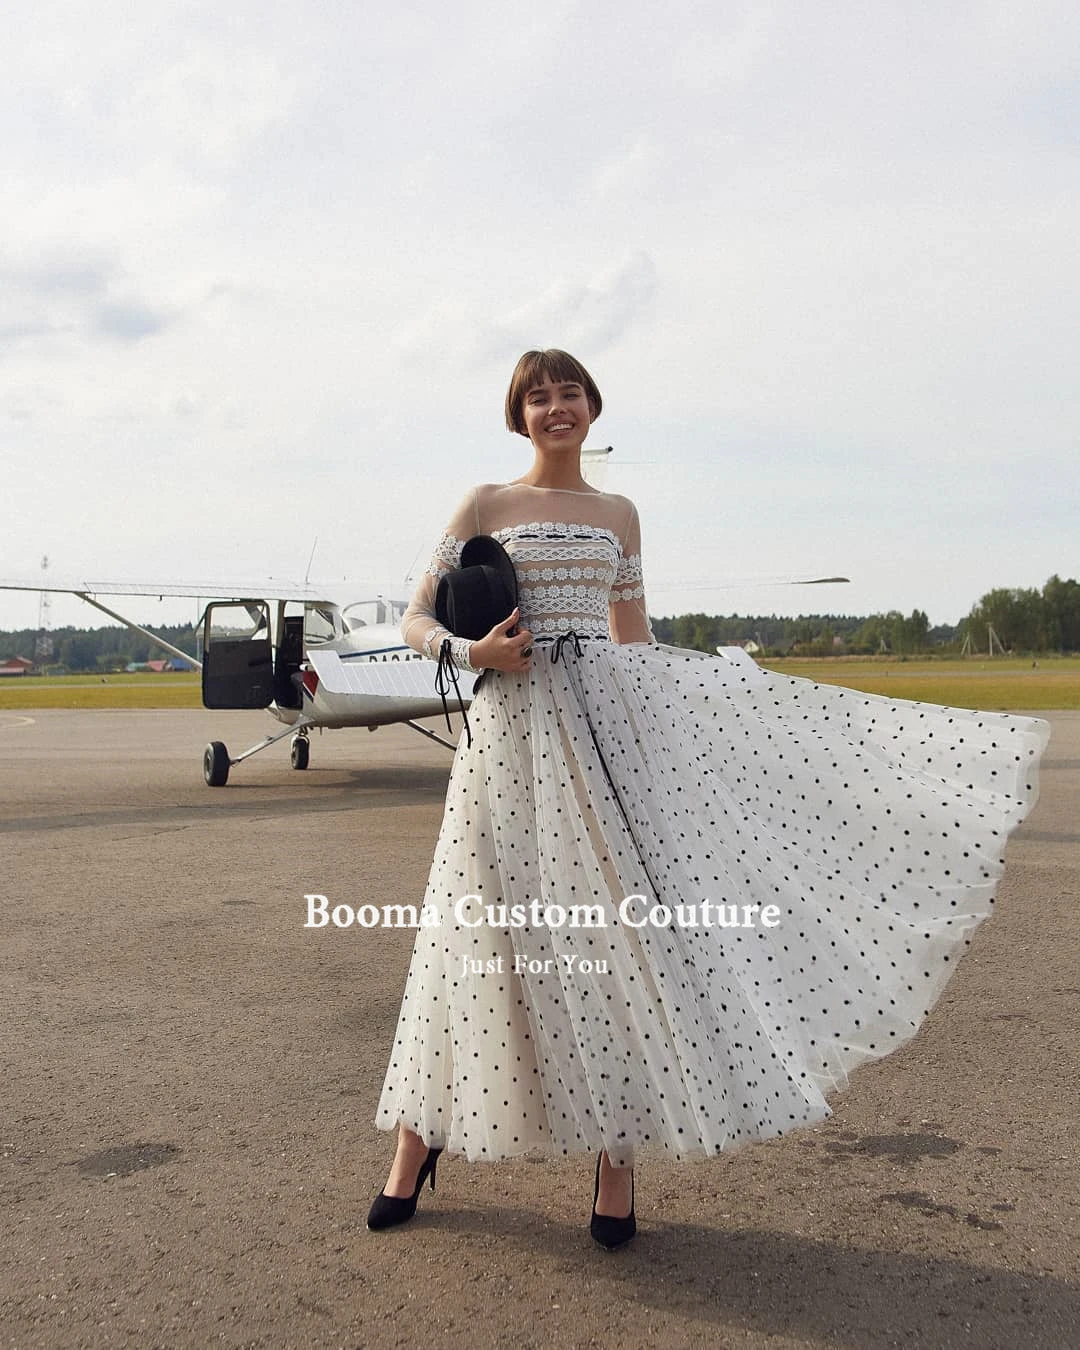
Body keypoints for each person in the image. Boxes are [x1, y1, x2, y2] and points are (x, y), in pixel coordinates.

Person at [368, 348, 1049, 1248]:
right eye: (537, 396)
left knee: (621, 946)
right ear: (517, 415)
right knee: (476, 934)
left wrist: (675, 747)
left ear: (592, 406)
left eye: (568, 392)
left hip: (603, 742)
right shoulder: (485, 505)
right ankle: (416, 1147)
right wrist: (473, 653)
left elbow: (634, 637)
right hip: (504, 741)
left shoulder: (619, 515)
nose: (555, 407)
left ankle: (618, 1160)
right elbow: (414, 615)